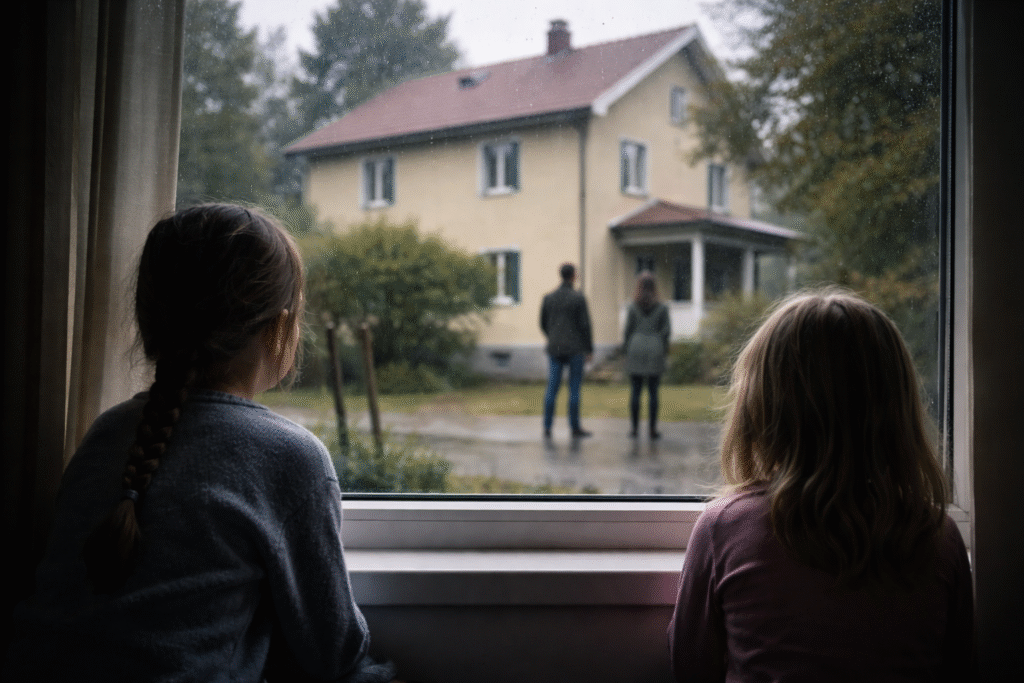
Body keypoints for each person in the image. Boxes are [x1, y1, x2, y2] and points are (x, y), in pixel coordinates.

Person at [4, 205, 401, 682]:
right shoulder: (288, 458)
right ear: (280, 327)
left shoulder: (105, 434)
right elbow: (334, 657)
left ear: (149, 322)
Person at [668, 289, 974, 682]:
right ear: (897, 410)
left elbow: (690, 666)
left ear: (761, 405)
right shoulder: (939, 539)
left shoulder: (725, 529)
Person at [540, 262, 594, 438]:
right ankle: (575, 427)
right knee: (574, 389)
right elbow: (585, 325)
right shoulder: (578, 298)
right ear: (573, 276)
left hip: (555, 348)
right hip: (575, 348)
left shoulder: (548, 298)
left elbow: (543, 323)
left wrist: (552, 336)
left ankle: (547, 426)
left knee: (552, 388)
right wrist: (589, 349)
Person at [623, 271, 670, 439]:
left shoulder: (633, 307)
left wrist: (626, 350)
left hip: (636, 347)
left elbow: (627, 331)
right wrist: (663, 350)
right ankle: (652, 429)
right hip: (655, 348)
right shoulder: (662, 308)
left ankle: (634, 429)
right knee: (653, 392)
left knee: (635, 391)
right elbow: (666, 331)